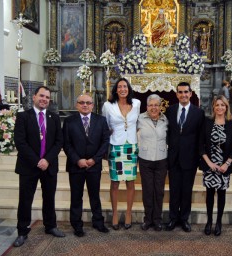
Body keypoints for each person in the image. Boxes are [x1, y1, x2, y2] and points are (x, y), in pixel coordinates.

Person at [13, 86, 65, 247]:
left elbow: (59, 142)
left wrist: (47, 160)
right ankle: (22, 231)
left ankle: (50, 226)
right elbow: (20, 142)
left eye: (47, 97)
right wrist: (37, 160)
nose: (44, 99)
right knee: (25, 200)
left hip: (48, 166)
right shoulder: (23, 117)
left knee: (49, 198)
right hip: (29, 165)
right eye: (41, 96)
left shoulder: (54, 117)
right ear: (34, 97)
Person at [63, 94, 110, 237]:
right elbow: (66, 143)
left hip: (94, 166)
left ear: (92, 105)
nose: (85, 105)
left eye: (88, 103)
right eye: (82, 102)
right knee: (76, 197)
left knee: (94, 196)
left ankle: (98, 222)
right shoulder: (69, 121)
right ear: (77, 105)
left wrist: (94, 159)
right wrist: (78, 160)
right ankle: (77, 225)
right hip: (75, 166)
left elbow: (105, 142)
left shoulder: (101, 120)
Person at [165, 82, 205, 232]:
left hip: (190, 158)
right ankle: (173, 218)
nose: (183, 95)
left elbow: (201, 137)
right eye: (180, 92)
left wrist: (200, 157)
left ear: (190, 93)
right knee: (174, 190)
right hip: (173, 157)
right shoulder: (170, 110)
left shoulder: (198, 113)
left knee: (186, 190)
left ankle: (184, 219)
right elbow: (167, 132)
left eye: (186, 92)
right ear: (177, 94)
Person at [102, 78, 141, 230]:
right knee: (115, 182)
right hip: (115, 146)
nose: (123, 89)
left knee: (131, 182)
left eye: (125, 86)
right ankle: (116, 213)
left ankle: (129, 213)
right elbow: (105, 126)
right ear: (116, 90)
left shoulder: (136, 103)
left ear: (129, 88)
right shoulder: (108, 105)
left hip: (130, 146)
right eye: (120, 87)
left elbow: (137, 124)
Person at [199, 95, 232, 236]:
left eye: (223, 105)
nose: (220, 107)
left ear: (226, 107)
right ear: (213, 107)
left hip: (224, 166)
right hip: (210, 165)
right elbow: (201, 145)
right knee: (210, 194)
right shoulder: (207, 122)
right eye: (217, 105)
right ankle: (209, 221)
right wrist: (209, 163)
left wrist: (226, 164)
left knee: (221, 194)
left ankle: (219, 222)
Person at [137, 94, 168, 232]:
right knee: (148, 191)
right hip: (145, 158)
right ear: (147, 106)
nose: (153, 108)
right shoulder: (139, 118)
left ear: (160, 106)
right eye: (151, 105)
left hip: (161, 159)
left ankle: (157, 220)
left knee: (159, 191)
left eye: (156, 105)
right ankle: (147, 220)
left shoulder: (166, 119)